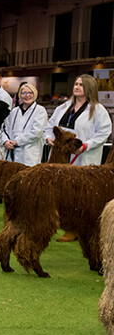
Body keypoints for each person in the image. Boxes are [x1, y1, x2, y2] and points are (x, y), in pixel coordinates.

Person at [45, 73, 113, 242]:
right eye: (75, 84)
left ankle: (79, 229)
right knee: (62, 193)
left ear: (89, 88)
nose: (76, 87)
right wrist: (49, 137)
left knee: (80, 195)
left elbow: (104, 133)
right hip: (61, 158)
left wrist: (85, 146)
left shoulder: (98, 110)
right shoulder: (63, 107)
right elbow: (50, 125)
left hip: (84, 157)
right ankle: (65, 225)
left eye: (81, 85)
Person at [0, 83, 47, 166]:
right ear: (20, 95)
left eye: (30, 93)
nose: (27, 95)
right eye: (24, 93)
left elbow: (37, 132)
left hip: (29, 155)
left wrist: (17, 141)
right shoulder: (14, 111)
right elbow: (4, 128)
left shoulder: (40, 110)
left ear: (35, 94)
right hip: (12, 153)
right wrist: (5, 141)